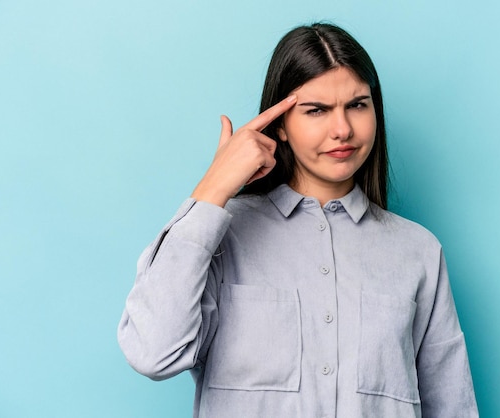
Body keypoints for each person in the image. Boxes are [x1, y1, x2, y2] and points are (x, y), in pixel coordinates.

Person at [117, 22, 478, 418]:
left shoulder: (419, 251)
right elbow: (152, 352)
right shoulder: (223, 234)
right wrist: (213, 189)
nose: (342, 130)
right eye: (316, 110)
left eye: (357, 105)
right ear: (282, 125)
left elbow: (452, 407)